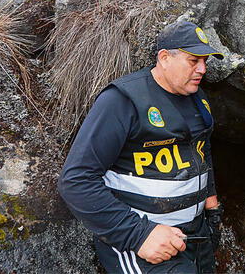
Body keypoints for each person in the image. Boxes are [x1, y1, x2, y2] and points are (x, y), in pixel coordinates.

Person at [58, 20, 225, 273]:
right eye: (194, 61)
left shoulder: (197, 97)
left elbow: (202, 149)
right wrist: (138, 236)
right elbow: (76, 180)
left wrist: (211, 204)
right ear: (165, 58)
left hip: (196, 234)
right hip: (145, 242)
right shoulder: (122, 101)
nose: (202, 69)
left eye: (205, 61)